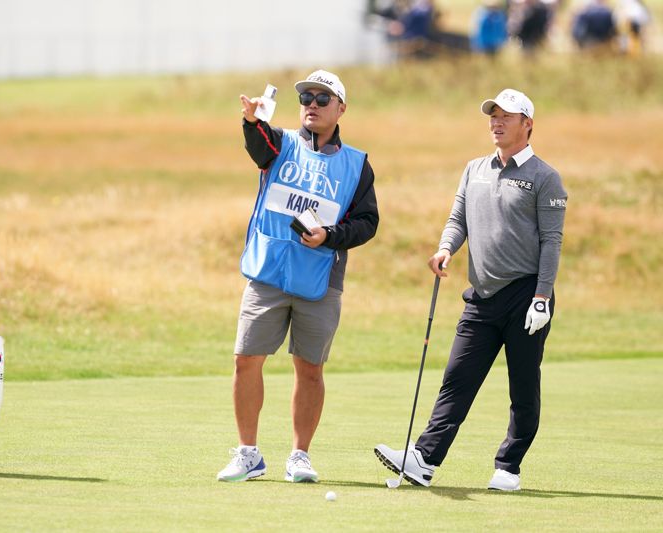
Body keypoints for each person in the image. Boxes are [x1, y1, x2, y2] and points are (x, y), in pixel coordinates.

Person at [375, 89, 567, 491]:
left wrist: (542, 296)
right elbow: (458, 217)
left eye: (506, 117)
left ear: (527, 124)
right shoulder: (474, 168)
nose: (496, 123)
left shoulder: (545, 178)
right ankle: (425, 459)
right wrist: (446, 248)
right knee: (457, 378)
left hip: (525, 294)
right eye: (493, 116)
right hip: (481, 295)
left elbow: (552, 241)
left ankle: (508, 467)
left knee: (523, 386)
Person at [217, 70, 379, 483]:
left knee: (310, 368)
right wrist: (251, 122)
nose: (312, 104)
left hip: (320, 278)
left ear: (341, 108)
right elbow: (258, 146)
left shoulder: (357, 164)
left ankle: (299, 456)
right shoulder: (281, 142)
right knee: (245, 359)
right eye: (306, 96)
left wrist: (331, 236)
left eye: (323, 98)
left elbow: (367, 222)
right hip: (268, 270)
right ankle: (249, 453)